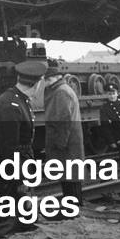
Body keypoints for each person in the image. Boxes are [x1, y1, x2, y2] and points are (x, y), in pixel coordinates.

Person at [0, 60, 45, 233]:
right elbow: (9, 147)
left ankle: (23, 234)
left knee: (22, 208)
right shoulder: (11, 105)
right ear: (36, 84)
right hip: (13, 163)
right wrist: (19, 177)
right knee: (9, 207)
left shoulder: (18, 99)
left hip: (21, 160)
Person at [42, 63, 84, 205]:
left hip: (66, 142)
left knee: (70, 177)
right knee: (70, 177)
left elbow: (63, 120)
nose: (45, 82)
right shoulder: (63, 89)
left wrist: (60, 142)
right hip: (69, 141)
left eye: (47, 79)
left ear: (56, 77)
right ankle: (73, 206)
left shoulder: (61, 92)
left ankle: (73, 208)